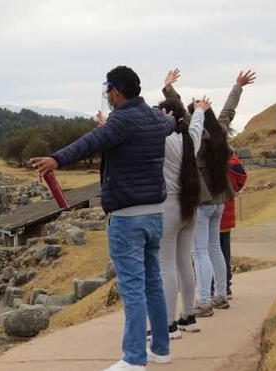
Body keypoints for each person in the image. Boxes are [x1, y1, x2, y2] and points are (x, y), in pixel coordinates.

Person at [31, 66, 175, 371]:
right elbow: (171, 124)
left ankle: (134, 358)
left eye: (107, 90)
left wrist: (56, 158)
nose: (107, 96)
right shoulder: (153, 117)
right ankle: (161, 349)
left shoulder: (121, 120)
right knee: (153, 284)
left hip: (127, 218)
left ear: (116, 91)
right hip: (155, 215)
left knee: (133, 287)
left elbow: (90, 142)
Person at [163, 69, 255, 316]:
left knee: (199, 251)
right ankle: (221, 295)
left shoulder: (196, 137)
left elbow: (182, 114)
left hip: (202, 201)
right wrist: (237, 87)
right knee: (215, 248)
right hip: (220, 199)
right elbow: (227, 111)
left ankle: (203, 301)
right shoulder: (220, 132)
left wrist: (169, 90)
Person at [156, 96, 209, 338]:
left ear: (165, 113)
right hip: (190, 208)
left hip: (168, 207)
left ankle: (168, 324)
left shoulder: (163, 139)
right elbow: (196, 123)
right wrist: (199, 110)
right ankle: (188, 316)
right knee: (185, 263)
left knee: (165, 266)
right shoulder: (190, 139)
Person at [219, 152, 247, 299]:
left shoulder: (204, 152)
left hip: (209, 210)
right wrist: (232, 190)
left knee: (209, 252)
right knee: (224, 251)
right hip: (226, 210)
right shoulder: (231, 157)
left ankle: (216, 288)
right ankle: (225, 287)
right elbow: (241, 177)